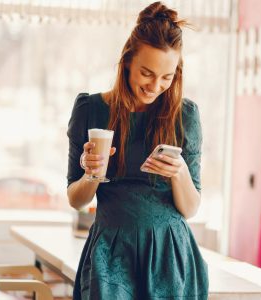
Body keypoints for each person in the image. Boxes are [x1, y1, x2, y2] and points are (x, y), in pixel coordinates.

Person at [66, 2, 208, 299]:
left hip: (169, 256)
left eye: (167, 77)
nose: (155, 85)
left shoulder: (185, 117)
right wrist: (92, 173)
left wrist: (179, 171)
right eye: (147, 72)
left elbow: (190, 208)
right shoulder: (90, 110)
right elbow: (76, 199)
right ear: (128, 60)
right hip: (109, 252)